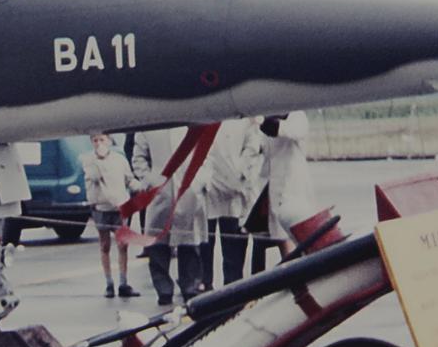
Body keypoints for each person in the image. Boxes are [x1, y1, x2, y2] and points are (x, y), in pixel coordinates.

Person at [130, 126, 215, 306]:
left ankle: (190, 288)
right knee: (157, 245)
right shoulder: (149, 127)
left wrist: (200, 180)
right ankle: (164, 290)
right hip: (161, 193)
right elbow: (138, 158)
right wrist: (149, 180)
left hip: (189, 190)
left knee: (189, 244)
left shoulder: (193, 125)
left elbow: (206, 155)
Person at [199, 118, 263, 288]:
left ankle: (233, 286)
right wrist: (205, 177)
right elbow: (200, 149)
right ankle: (205, 284)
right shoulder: (205, 115)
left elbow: (252, 148)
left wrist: (239, 170)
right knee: (206, 241)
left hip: (237, 188)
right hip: (209, 187)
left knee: (233, 246)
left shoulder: (246, 119)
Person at [79, 132, 138, 298]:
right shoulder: (88, 160)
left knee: (122, 245)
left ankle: (123, 282)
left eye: (102, 139)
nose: (99, 143)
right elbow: (94, 176)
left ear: (110, 140)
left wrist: (140, 187)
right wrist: (98, 159)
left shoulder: (120, 159)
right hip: (100, 207)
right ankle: (109, 283)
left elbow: (129, 180)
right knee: (104, 245)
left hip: (119, 207)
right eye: (95, 140)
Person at [253, 111, 316, 262]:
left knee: (294, 237)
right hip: (273, 188)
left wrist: (261, 120)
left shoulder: (298, 116)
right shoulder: (268, 120)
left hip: (293, 187)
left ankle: (298, 277)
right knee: (280, 239)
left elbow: (284, 130)